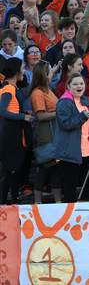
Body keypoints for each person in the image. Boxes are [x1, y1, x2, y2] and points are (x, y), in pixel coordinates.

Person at [52, 73, 89, 202]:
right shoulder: (64, 103)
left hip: (86, 150)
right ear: (68, 86)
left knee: (88, 185)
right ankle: (71, 217)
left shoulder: (85, 101)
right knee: (70, 187)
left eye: (81, 83)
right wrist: (82, 116)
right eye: (75, 84)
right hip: (69, 151)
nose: (79, 86)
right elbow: (66, 124)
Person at [0, 57, 33, 204]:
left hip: (14, 131)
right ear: (15, 71)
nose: (23, 71)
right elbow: (2, 111)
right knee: (10, 169)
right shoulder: (8, 89)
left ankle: (12, 199)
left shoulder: (13, 88)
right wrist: (23, 117)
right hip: (10, 133)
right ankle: (7, 200)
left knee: (13, 170)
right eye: (21, 68)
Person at [29, 61, 62, 203]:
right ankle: (37, 201)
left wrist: (54, 70)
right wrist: (59, 113)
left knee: (55, 168)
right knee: (45, 165)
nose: (52, 74)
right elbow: (40, 115)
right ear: (44, 74)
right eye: (49, 72)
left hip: (54, 131)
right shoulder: (37, 92)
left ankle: (58, 201)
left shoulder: (48, 89)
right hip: (45, 132)